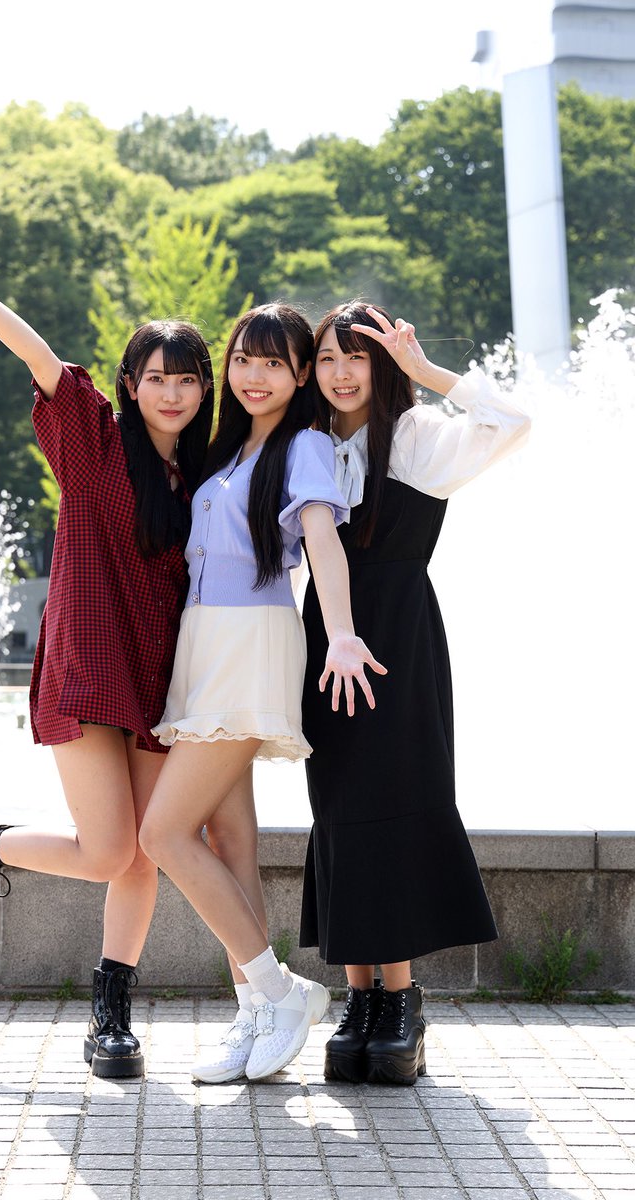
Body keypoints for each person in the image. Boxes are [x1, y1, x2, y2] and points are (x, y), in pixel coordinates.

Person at [0, 228, 238, 1080]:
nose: (171, 392)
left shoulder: (206, 480)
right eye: (156, 377)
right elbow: (39, 356)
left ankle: (111, 1017)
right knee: (108, 851)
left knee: (147, 848)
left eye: (187, 378)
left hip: (162, 682)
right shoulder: (93, 443)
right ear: (131, 384)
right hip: (90, 666)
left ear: (204, 389)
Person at [138, 303, 387, 1082]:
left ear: (299, 374)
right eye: (244, 359)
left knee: (162, 835)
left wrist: (340, 633)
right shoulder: (227, 450)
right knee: (229, 841)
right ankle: (253, 1015)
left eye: (274, 363)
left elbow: (321, 540)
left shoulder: (303, 445)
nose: (254, 376)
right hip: (205, 642)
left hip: (250, 643)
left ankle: (279, 993)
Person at [300, 301, 531, 1085]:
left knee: (392, 799)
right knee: (337, 805)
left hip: (398, 636)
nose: (340, 373)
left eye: (357, 357)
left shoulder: (417, 436)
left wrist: (428, 372)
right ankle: (359, 998)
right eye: (327, 358)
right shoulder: (310, 444)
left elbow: (514, 423)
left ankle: (400, 1004)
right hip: (326, 636)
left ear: (383, 365)